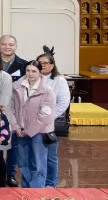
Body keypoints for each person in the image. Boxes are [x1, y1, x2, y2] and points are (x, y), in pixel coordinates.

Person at [9, 61, 56, 189]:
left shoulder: (47, 90)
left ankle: (37, 191)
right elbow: (11, 109)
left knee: (38, 164)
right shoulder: (16, 87)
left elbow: (46, 115)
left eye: (34, 71)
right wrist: (16, 127)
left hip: (39, 133)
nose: (30, 74)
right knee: (23, 162)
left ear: (40, 72)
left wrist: (29, 131)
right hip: (20, 131)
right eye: (28, 70)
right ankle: (26, 189)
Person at [37, 50, 68, 187]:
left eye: (45, 63)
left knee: (50, 155)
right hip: (33, 123)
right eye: (40, 63)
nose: (42, 65)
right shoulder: (32, 78)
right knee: (35, 155)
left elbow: (63, 103)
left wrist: (48, 118)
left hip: (51, 123)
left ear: (52, 65)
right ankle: (37, 182)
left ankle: (50, 182)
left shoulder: (59, 80)